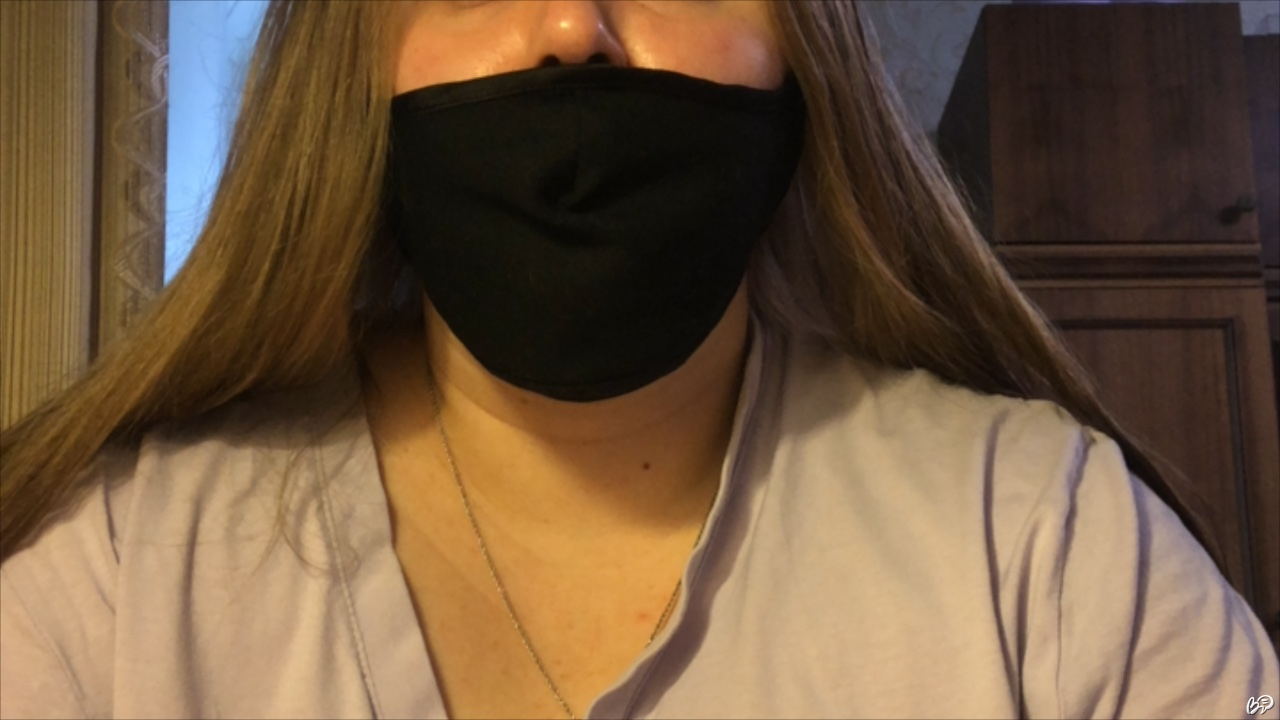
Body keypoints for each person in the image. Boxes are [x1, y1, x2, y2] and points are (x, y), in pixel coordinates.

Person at [1, 1, 1276, 718]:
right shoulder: (109, 592)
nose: (572, 27)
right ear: (350, 61)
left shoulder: (1051, 550)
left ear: (803, 56)